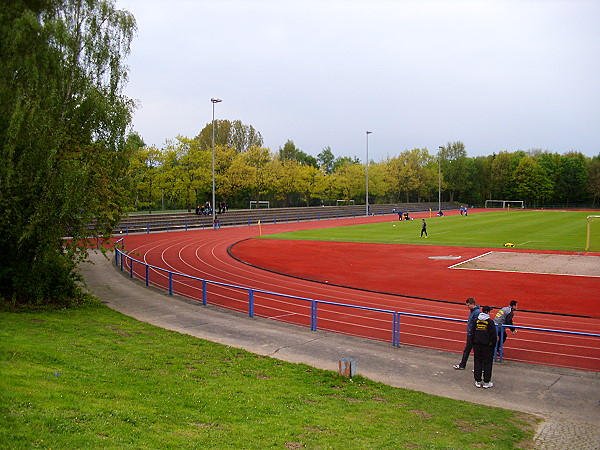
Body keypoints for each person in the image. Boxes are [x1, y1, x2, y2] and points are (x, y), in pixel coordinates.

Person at [472, 306, 498, 388]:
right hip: (487, 346)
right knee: (487, 363)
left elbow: (472, 333)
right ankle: (487, 382)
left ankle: (478, 381)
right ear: (488, 312)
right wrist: (493, 345)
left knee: (477, 362)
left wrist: (473, 343)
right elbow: (493, 335)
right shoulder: (490, 322)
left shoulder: (476, 321)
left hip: (477, 345)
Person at [454, 298, 480, 370]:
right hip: (470, 334)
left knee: (475, 351)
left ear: (472, 304)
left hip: (473, 335)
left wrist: (473, 333)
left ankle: (477, 367)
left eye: (468, 305)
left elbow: (476, 324)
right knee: (468, 350)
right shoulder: (472, 311)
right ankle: (463, 364)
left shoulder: (477, 312)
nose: (467, 307)